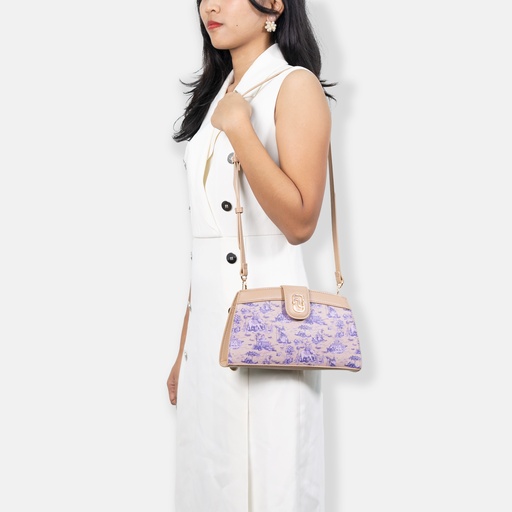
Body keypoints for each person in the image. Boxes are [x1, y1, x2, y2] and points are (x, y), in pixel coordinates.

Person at [167, 0, 333, 510]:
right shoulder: (219, 96)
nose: (210, 6)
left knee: (271, 482)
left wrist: (241, 130)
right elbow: (211, 240)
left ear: (274, 5)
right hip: (208, 341)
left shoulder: (294, 85)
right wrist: (184, 350)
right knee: (211, 486)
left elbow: (301, 222)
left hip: (269, 334)